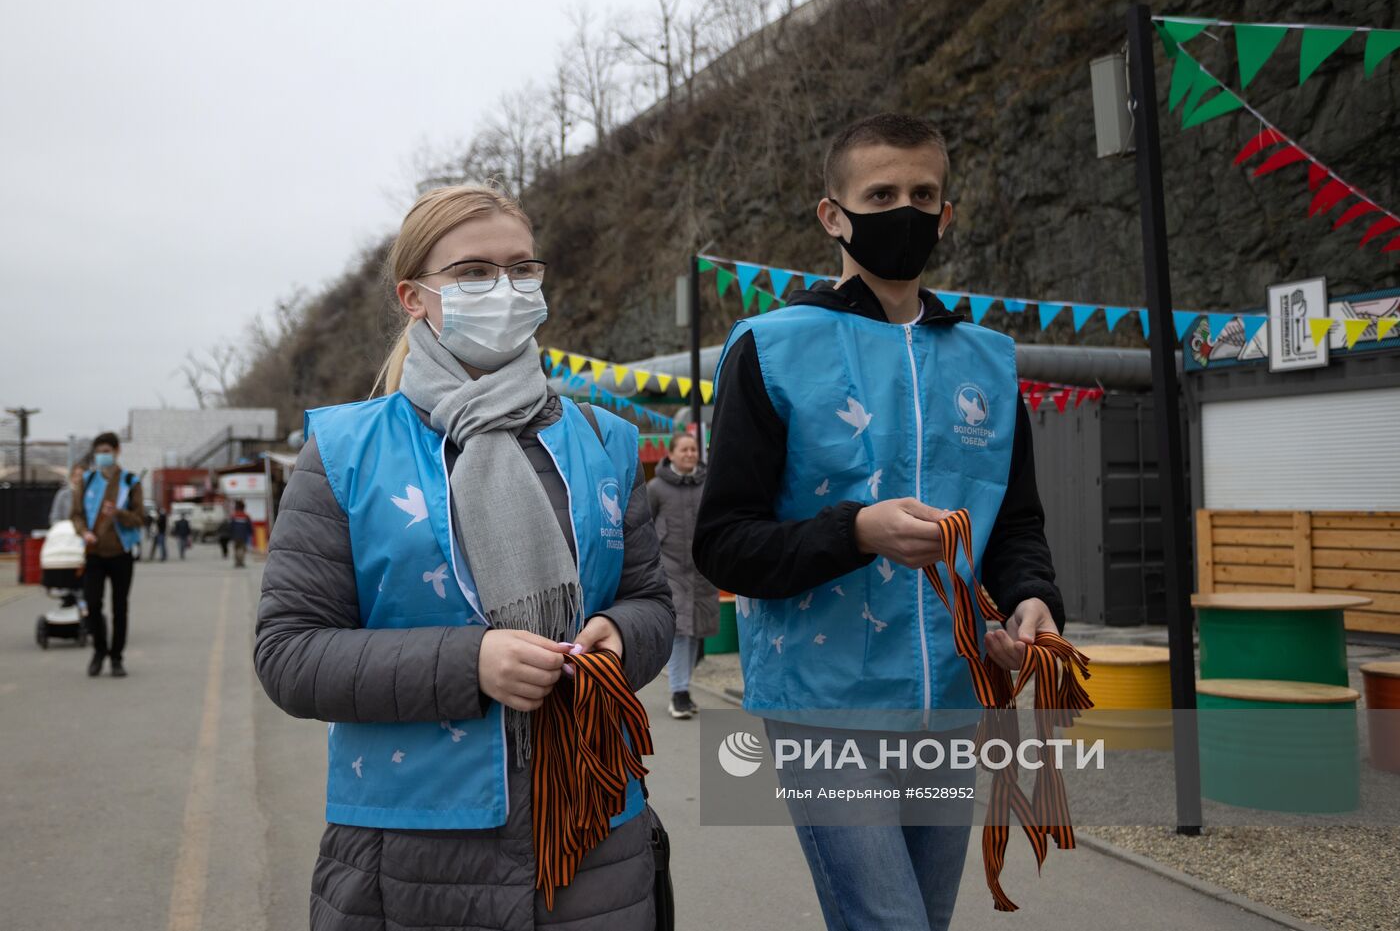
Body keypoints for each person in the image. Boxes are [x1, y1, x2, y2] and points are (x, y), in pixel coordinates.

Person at [253, 184, 675, 931]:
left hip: (591, 830)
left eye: (521, 269)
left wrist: (619, 635)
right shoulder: (346, 452)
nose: (505, 290)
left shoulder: (603, 440)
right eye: (474, 273)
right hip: (409, 849)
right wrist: (469, 663)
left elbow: (649, 601)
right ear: (414, 297)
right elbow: (290, 652)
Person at [693, 114, 1065, 931]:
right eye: (881, 193)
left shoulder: (989, 360)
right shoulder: (769, 346)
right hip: (825, 708)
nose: (905, 208)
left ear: (947, 214)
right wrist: (855, 531)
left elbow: (1016, 525)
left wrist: (1033, 600)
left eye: (922, 193)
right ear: (834, 214)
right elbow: (721, 542)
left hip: (955, 700)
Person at [647, 431, 719, 719]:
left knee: (695, 632)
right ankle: (679, 693)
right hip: (671, 569)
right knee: (680, 631)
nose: (690, 454)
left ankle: (683, 688)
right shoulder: (656, 488)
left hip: (702, 570)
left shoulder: (709, 485)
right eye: (684, 450)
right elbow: (646, 525)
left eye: (693, 450)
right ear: (672, 454)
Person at [70, 433, 144, 678]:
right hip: (94, 552)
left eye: (106, 450)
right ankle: (99, 650)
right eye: (98, 451)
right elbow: (76, 514)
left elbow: (139, 518)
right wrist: (83, 532)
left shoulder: (130, 482)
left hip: (121, 553)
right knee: (92, 604)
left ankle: (116, 657)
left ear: (116, 450)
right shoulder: (88, 480)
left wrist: (119, 513)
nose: (102, 455)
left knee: (120, 607)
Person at [228, 500, 253, 568]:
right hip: (244, 536)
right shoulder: (246, 516)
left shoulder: (233, 516)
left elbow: (231, 526)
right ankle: (241, 562)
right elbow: (249, 526)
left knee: (236, 549)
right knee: (242, 549)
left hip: (235, 535)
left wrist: (230, 535)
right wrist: (251, 533)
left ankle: (237, 562)